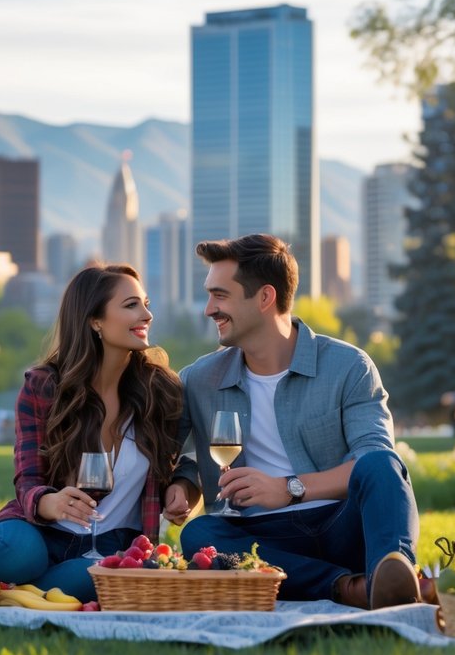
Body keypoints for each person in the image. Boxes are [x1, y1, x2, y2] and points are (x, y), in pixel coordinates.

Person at [177, 234, 421, 610]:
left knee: (383, 465)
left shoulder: (348, 367)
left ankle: (394, 572)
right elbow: (184, 458)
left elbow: (374, 460)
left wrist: (288, 488)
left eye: (220, 295)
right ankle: (352, 588)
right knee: (200, 533)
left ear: (264, 298)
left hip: (341, 524)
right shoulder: (199, 379)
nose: (209, 309)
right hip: (260, 539)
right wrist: (182, 484)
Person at [0, 264, 197, 601]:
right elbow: (26, 478)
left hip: (112, 543)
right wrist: (47, 502)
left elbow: (188, 457)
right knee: (21, 556)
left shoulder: (159, 390)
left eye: (146, 303)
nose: (147, 314)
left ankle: (10, 587)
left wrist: (184, 484)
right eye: (131, 305)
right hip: (39, 530)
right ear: (94, 320)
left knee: (94, 580)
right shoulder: (44, 386)